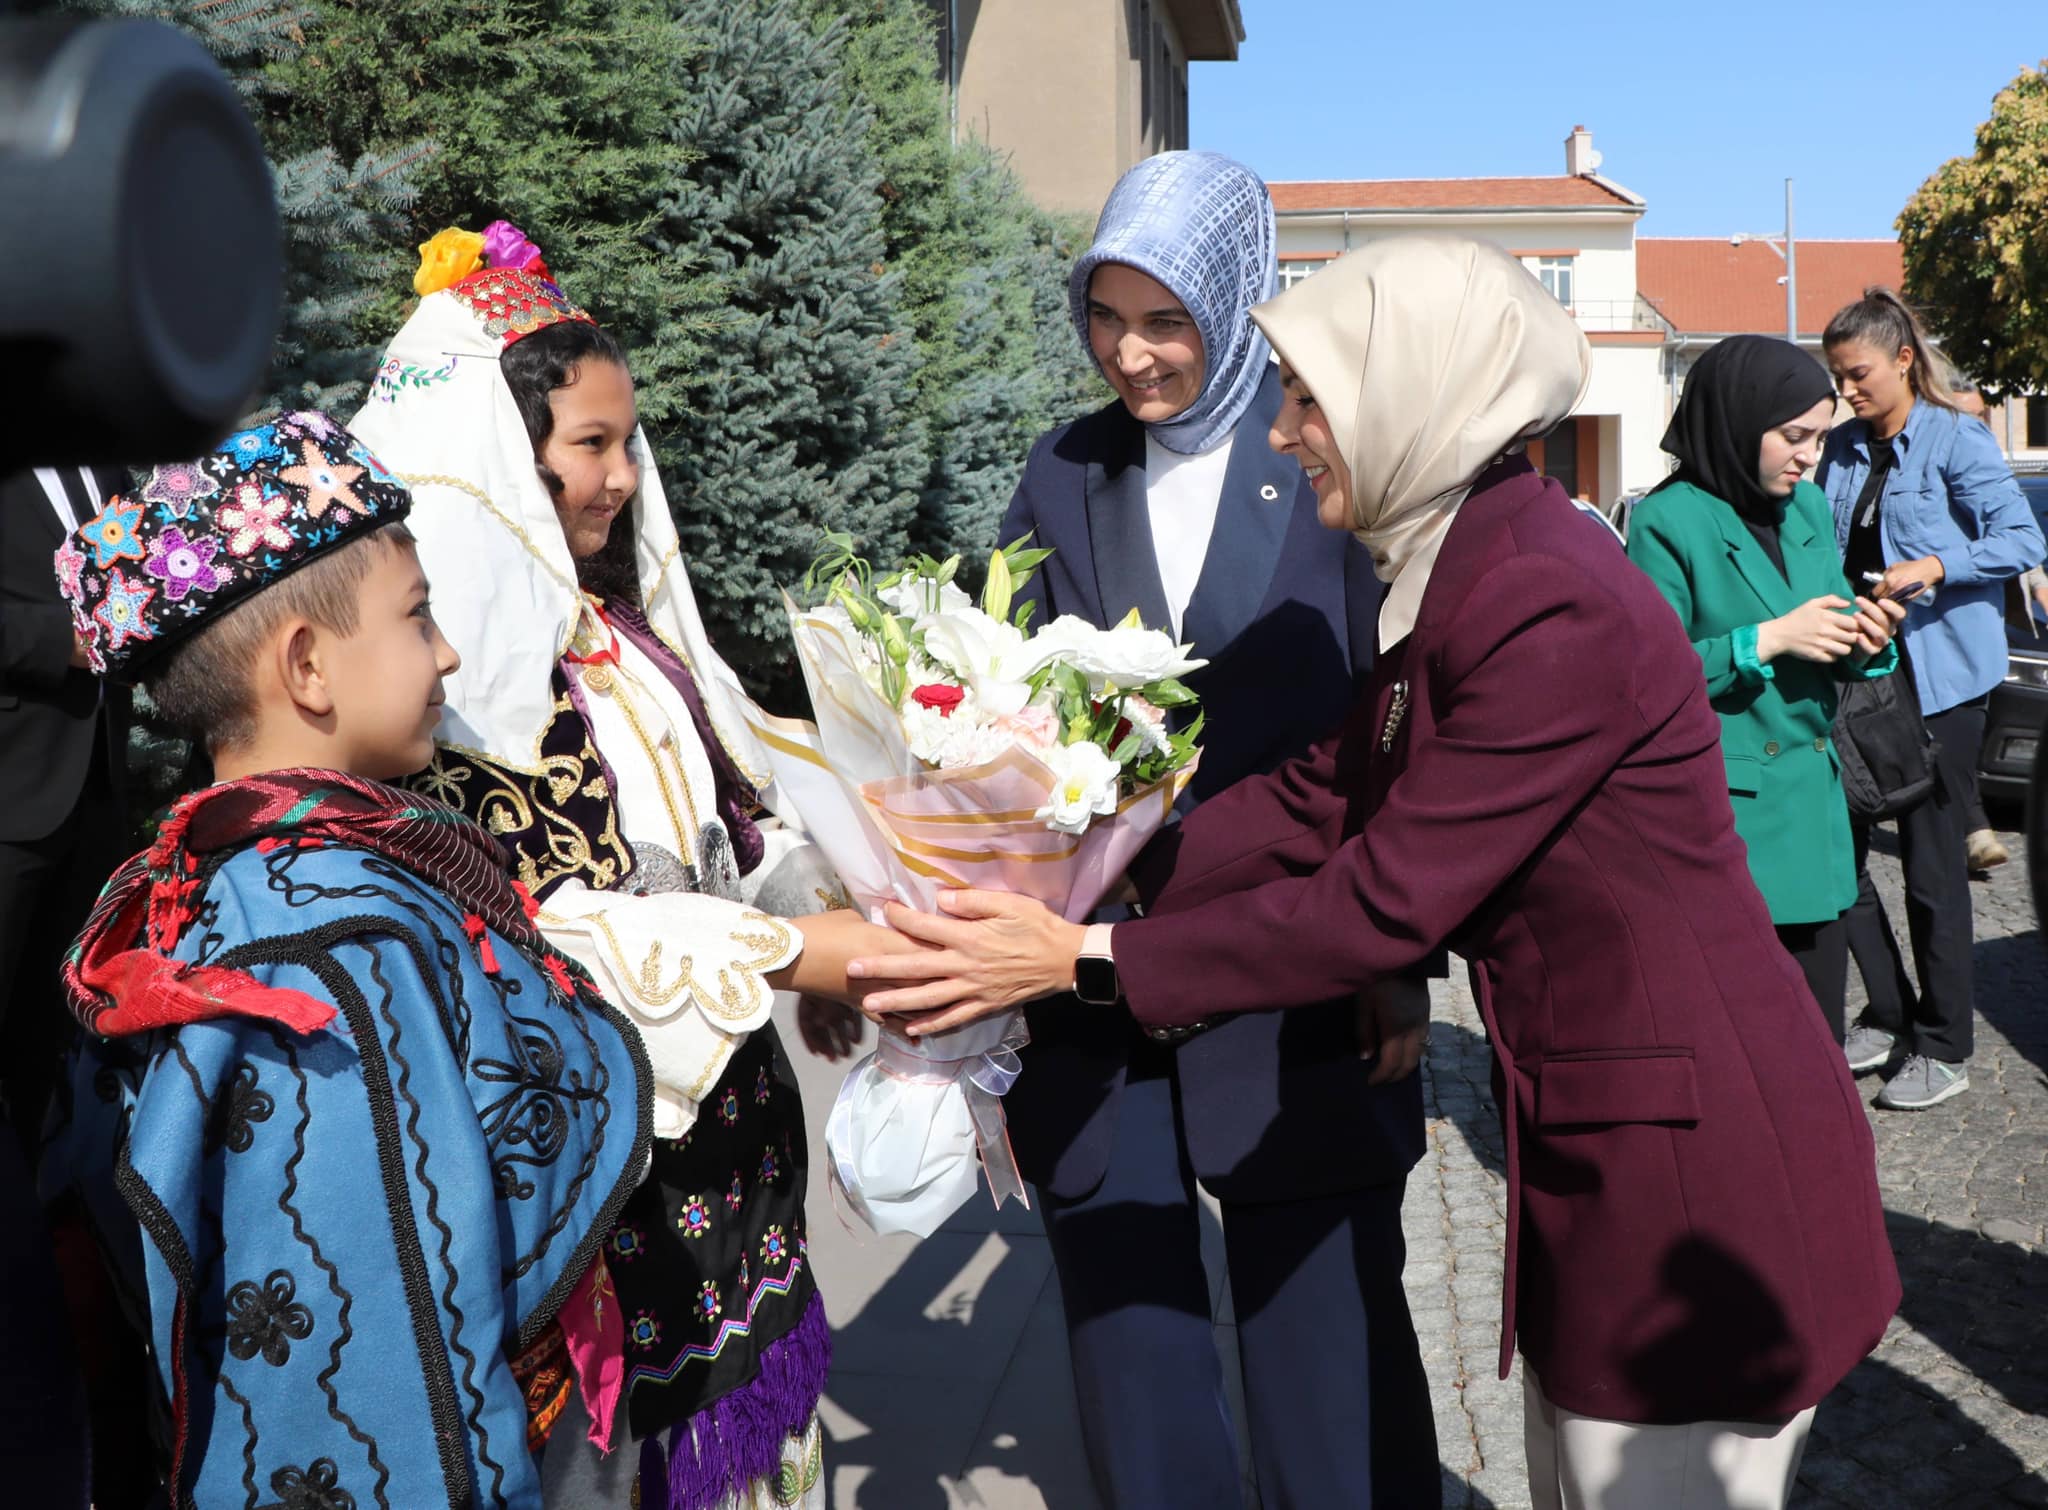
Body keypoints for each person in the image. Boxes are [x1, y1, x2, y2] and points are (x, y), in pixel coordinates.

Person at [851, 236, 1902, 1510]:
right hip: (1608, 1141)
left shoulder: (1535, 594)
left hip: (1693, 1175)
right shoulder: (1464, 563)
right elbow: (1325, 789)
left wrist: (1082, 956)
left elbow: (1381, 896)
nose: (1285, 437)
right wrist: (1080, 876)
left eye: (1307, 401)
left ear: (1413, 402)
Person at [348, 228, 875, 1507]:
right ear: (498, 458)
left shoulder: (623, 633)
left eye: (626, 442)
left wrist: (820, 911)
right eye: (592, 444)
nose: (625, 477)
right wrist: (803, 950)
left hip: (738, 1165)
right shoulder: (441, 717)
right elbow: (544, 937)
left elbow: (734, 827)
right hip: (604, 1210)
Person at [995, 151, 1434, 1508]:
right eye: (1106, 316)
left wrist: (1392, 952)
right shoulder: (1062, 473)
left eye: (1166, 317)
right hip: (1094, 981)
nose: (1131, 354)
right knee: (1140, 1382)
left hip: (1294, 976)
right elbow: (1000, 711)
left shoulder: (1323, 457)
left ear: (1239, 301)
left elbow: (1394, 719)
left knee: (1330, 1381)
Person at [1623, 336, 1905, 1041]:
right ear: (1738, 422)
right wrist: (1767, 641)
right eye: (1794, 437)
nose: (1811, 456)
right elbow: (1644, 679)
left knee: (1815, 1036)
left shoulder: (1805, 509)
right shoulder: (1667, 519)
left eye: (1819, 436)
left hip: (1816, 813)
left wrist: (1868, 640)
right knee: (1742, 1041)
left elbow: (1830, 619)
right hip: (1731, 819)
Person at [1817, 289, 2044, 1110]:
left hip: (1944, 684)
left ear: (1903, 360)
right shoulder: (1839, 447)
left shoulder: (1958, 438)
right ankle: (1887, 1011)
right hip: (1858, 677)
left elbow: (2023, 539)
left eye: (1859, 374)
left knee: (1929, 866)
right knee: (1834, 852)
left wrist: (1937, 567)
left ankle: (1945, 1045)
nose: (1848, 391)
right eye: (1839, 377)